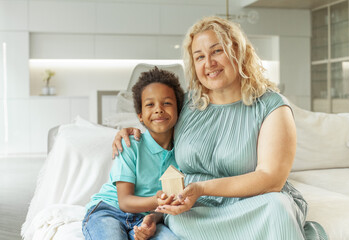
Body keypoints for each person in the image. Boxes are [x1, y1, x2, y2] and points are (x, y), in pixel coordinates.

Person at [112, 16, 328, 240]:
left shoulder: (271, 106)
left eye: (217, 51)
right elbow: (156, 130)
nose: (209, 63)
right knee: (178, 220)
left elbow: (271, 179)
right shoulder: (186, 104)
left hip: (254, 202)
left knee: (277, 208)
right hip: (194, 208)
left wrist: (202, 188)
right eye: (199, 57)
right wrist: (128, 131)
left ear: (238, 52)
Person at [82, 67, 184, 240]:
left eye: (167, 103)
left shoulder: (184, 155)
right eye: (150, 104)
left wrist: (154, 217)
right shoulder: (131, 144)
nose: (158, 109)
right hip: (109, 211)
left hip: (146, 217)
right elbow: (125, 201)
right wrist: (157, 200)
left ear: (178, 110)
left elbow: (166, 205)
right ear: (141, 116)